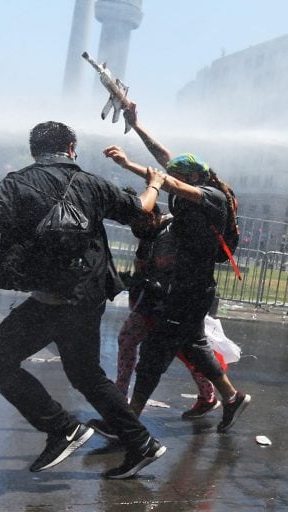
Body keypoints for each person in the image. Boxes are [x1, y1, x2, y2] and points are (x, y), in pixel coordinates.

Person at [0, 121, 167, 479]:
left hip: (53, 299)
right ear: (71, 148)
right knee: (86, 374)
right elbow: (141, 208)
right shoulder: (91, 184)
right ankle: (142, 443)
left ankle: (64, 428)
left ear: (35, 150)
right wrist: (154, 184)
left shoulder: (19, 183)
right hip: (88, 294)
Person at [95, 104, 250, 436]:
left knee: (154, 351)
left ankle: (129, 421)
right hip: (186, 286)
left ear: (194, 176)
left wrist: (134, 168)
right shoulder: (192, 178)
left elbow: (173, 186)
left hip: (192, 289)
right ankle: (231, 398)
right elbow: (165, 158)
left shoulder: (211, 196)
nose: (173, 177)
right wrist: (136, 127)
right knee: (193, 345)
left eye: (179, 176)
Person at [113, 199, 226, 419]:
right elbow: (142, 262)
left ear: (152, 216)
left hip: (175, 303)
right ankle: (119, 395)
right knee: (127, 339)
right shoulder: (149, 233)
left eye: (141, 223)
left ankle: (210, 396)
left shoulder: (176, 228)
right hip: (150, 302)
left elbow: (188, 263)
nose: (139, 230)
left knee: (187, 351)